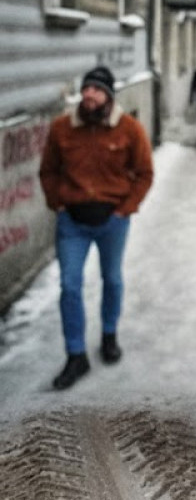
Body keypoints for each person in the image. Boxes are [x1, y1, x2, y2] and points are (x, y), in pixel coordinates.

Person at [38, 66, 154, 390]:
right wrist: (57, 203)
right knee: (69, 286)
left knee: (112, 279)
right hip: (72, 223)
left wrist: (124, 210)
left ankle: (109, 335)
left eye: (97, 90)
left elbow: (144, 173)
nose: (89, 94)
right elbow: (48, 171)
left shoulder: (128, 128)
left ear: (109, 96)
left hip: (112, 222)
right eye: (86, 88)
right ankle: (76, 354)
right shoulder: (62, 128)